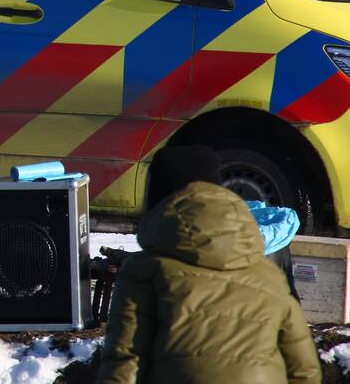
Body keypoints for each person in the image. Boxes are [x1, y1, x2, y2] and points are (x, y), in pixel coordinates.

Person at [97, 145, 321, 383]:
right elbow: (304, 369)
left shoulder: (143, 270)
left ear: (156, 200)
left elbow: (125, 361)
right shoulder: (268, 274)